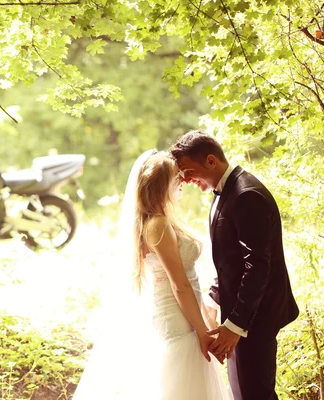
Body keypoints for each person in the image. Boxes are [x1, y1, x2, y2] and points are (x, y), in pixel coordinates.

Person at [72, 149, 232, 400]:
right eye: (176, 178)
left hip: (188, 314)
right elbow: (179, 285)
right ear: (160, 186)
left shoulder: (166, 220)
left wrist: (207, 324)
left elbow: (191, 282)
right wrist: (203, 334)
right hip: (177, 321)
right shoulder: (157, 224)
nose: (183, 181)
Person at [170, 130, 299, 400]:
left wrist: (236, 325)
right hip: (240, 312)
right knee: (243, 392)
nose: (186, 179)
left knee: (255, 394)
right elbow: (231, 260)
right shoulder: (224, 192)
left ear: (210, 161)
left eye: (189, 171)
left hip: (256, 316)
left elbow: (258, 266)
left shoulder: (246, 195)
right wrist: (214, 300)